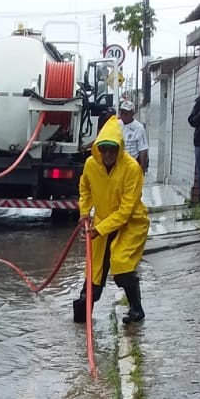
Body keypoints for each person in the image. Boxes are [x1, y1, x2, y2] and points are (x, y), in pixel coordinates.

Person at [73, 115, 150, 324]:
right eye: (103, 148)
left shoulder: (132, 169)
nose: (107, 154)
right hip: (101, 222)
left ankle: (136, 310)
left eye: (112, 149)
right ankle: (81, 316)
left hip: (131, 224)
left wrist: (100, 229)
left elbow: (126, 211)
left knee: (121, 264)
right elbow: (85, 188)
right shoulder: (91, 165)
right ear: (98, 148)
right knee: (93, 272)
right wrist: (84, 213)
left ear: (120, 148)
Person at [119, 100, 149, 173]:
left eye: (126, 113)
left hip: (132, 163)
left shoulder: (139, 127)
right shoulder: (116, 124)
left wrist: (142, 169)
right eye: (122, 113)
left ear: (132, 113)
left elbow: (143, 149)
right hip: (118, 164)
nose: (123, 115)